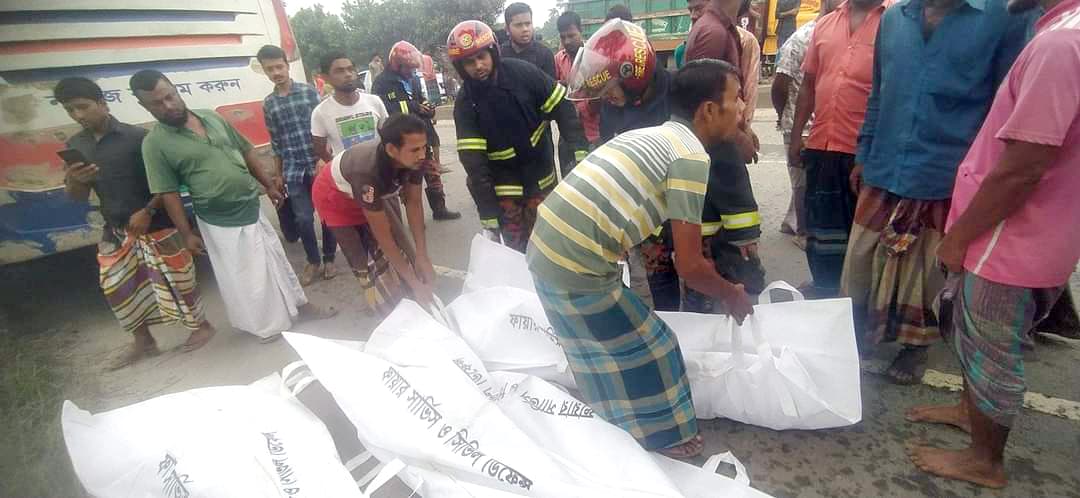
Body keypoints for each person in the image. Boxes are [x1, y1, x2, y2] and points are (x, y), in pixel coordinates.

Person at [528, 59, 754, 459]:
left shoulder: (662, 135)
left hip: (548, 244)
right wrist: (731, 293)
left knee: (593, 346)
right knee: (658, 346)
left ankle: (616, 423)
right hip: (574, 259)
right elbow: (689, 265)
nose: (742, 107)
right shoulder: (691, 157)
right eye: (736, 99)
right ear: (708, 110)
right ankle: (668, 438)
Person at [906, 0, 1080, 486]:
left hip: (1009, 237)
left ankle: (984, 461)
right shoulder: (1060, 33)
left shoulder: (1061, 43)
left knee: (992, 349)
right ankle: (968, 409)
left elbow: (1026, 164)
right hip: (1020, 232)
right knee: (970, 330)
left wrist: (959, 238)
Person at [841, 0, 1031, 384]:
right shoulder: (895, 18)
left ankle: (916, 347)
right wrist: (864, 151)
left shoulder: (1003, 19)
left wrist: (983, 174)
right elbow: (879, 92)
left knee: (926, 272)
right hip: (884, 163)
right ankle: (856, 333)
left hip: (947, 171)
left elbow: (1004, 104)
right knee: (861, 259)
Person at [132, 70, 336, 341]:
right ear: (144, 106)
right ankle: (268, 327)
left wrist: (269, 185)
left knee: (276, 261)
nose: (168, 106)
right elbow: (168, 192)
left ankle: (301, 306)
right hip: (219, 219)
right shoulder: (155, 144)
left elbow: (246, 150)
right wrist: (186, 234)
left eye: (169, 96)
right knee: (247, 277)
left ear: (175, 89)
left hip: (250, 206)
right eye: (157, 103)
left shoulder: (211, 117)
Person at [55, 77, 216, 368]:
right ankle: (144, 341)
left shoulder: (138, 138)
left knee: (179, 281)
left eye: (83, 107)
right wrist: (76, 181)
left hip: (157, 223)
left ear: (102, 104)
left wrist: (148, 211)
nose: (78, 115)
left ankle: (202, 327)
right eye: (70, 110)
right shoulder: (75, 145)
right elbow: (76, 196)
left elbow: (166, 183)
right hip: (116, 228)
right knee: (116, 286)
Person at [447, 20, 589, 252]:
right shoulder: (465, 104)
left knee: (551, 247)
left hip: (541, 181)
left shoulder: (523, 74)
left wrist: (579, 154)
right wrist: (489, 217)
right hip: (506, 193)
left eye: (482, 57)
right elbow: (474, 164)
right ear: (461, 68)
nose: (478, 66)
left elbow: (564, 108)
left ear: (493, 52)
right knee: (517, 254)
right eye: (469, 62)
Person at [569, 19, 679, 311]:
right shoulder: (613, 109)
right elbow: (611, 159)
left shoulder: (680, 92)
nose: (607, 96)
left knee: (696, 278)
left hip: (683, 208)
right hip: (643, 215)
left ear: (634, 76)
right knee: (658, 277)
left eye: (610, 88)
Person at [788, 0, 888, 297]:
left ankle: (856, 305)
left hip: (863, 152)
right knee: (819, 229)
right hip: (821, 146)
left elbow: (892, 91)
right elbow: (808, 85)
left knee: (860, 237)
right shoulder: (826, 23)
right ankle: (825, 289)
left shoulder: (894, 22)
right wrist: (797, 136)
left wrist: (872, 153)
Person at [684, 0, 766, 313]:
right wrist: (737, 135)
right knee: (727, 246)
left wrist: (742, 126)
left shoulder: (722, 28)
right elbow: (706, 108)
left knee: (717, 238)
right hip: (717, 159)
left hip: (718, 157)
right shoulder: (713, 33)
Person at [312, 114, 437, 316]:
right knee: (367, 264)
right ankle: (388, 312)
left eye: (424, 147)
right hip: (335, 201)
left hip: (371, 194)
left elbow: (414, 204)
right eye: (415, 149)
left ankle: (413, 298)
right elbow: (383, 236)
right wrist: (414, 283)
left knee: (407, 253)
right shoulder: (368, 172)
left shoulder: (416, 159)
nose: (422, 155)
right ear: (391, 149)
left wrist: (422, 256)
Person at [258, 44, 338, 286]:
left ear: (287, 65)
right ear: (264, 72)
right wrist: (278, 174)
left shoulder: (309, 93)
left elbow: (323, 130)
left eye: (279, 66)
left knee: (327, 215)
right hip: (293, 169)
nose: (276, 73)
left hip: (317, 165)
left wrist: (323, 161)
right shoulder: (269, 104)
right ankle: (313, 260)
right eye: (270, 69)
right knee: (303, 218)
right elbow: (276, 142)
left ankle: (330, 258)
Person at [771, 0, 841, 249]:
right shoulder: (804, 37)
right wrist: (785, 118)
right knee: (802, 182)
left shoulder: (844, 34)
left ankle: (791, 222)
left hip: (825, 124)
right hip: (800, 125)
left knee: (808, 179)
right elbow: (780, 82)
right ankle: (802, 231)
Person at [372, 41, 461, 221]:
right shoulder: (381, 83)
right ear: (397, 65)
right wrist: (413, 107)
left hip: (421, 134)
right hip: (402, 142)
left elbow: (420, 99)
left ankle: (440, 208)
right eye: (408, 69)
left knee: (432, 172)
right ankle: (411, 215)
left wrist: (428, 108)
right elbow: (385, 111)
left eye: (414, 69)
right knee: (407, 180)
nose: (412, 72)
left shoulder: (412, 79)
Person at [310, 52, 389, 160]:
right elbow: (320, 149)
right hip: (345, 175)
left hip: (379, 170)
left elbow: (388, 136)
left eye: (350, 69)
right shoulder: (320, 113)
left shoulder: (374, 101)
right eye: (339, 71)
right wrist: (337, 167)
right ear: (325, 77)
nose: (348, 74)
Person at [554, 11, 600, 146]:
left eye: (571, 35)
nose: (567, 41)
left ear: (581, 31)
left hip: (594, 134)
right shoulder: (558, 59)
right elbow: (553, 89)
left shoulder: (596, 57)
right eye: (563, 37)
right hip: (568, 134)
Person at [500, 2, 557, 78]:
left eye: (528, 24)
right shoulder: (499, 54)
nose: (525, 29)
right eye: (518, 25)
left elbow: (550, 87)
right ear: (507, 29)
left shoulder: (545, 55)